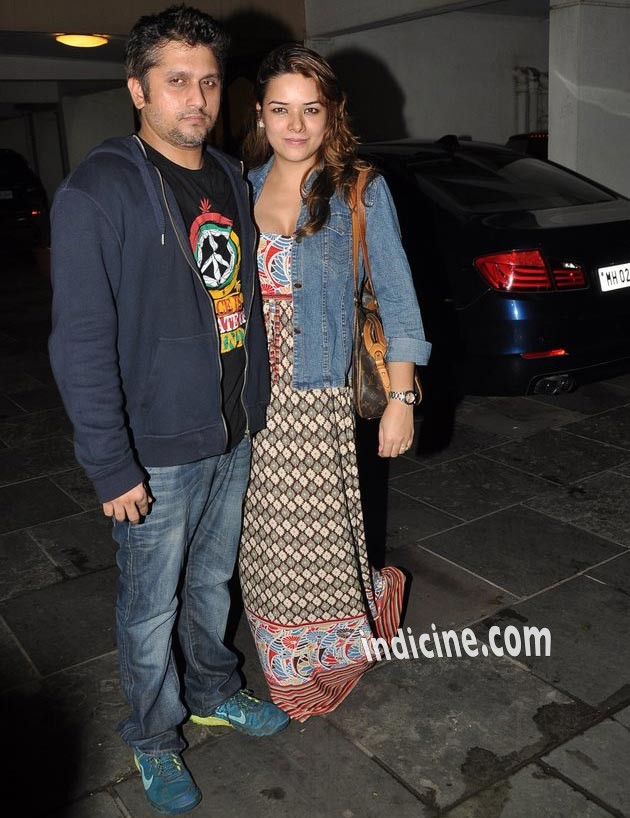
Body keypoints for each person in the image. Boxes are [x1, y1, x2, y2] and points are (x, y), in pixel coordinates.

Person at [48, 6, 289, 815]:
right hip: (154, 449)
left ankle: (215, 690)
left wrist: (253, 403)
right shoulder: (100, 189)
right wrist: (111, 463)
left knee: (212, 583)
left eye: (209, 81)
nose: (197, 98)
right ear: (138, 90)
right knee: (148, 607)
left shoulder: (224, 173)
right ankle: (153, 736)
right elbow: (79, 341)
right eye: (177, 81)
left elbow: (243, 298)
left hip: (229, 427)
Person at [239, 44, 431, 722]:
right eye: (280, 109)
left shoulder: (358, 188)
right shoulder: (241, 183)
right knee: (259, 541)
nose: (295, 125)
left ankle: (317, 660)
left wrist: (401, 402)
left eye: (310, 109)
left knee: (314, 540)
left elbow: (399, 300)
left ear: (331, 115)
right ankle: (286, 656)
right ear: (260, 114)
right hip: (247, 394)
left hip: (315, 393)